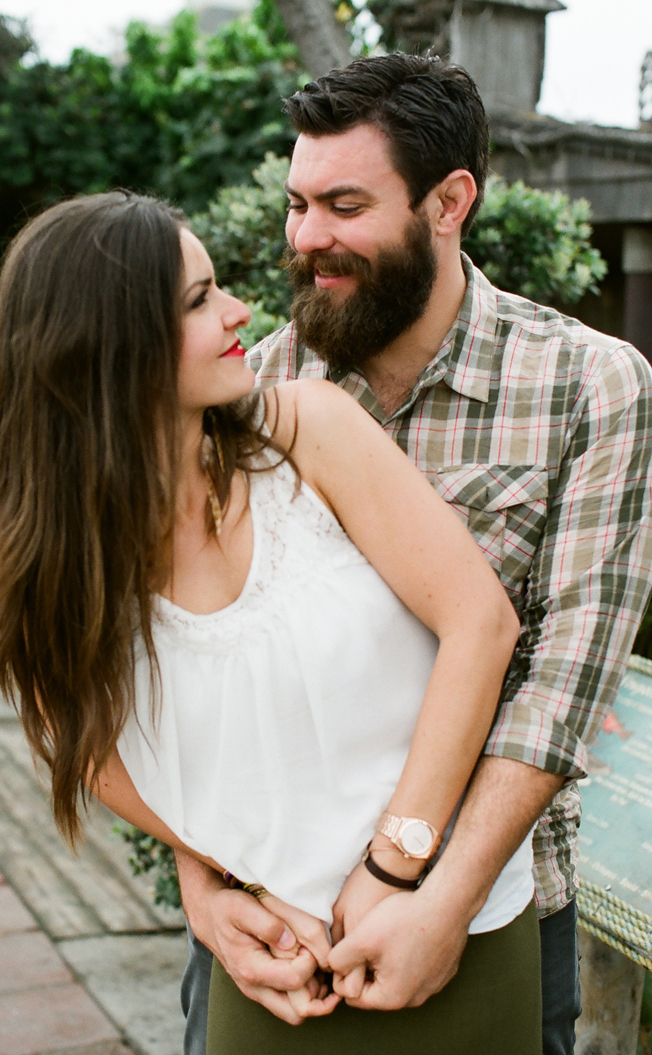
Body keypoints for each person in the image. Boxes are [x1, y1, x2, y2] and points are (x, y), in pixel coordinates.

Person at [0, 190, 541, 1054]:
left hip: (453, 935)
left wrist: (393, 868)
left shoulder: (310, 430)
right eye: (198, 301)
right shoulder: (50, 553)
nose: (240, 310)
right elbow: (74, 736)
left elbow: (481, 626)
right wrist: (213, 870)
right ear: (112, 349)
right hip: (277, 971)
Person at [174, 54, 652, 1055]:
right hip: (267, 911)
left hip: (490, 905)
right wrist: (202, 885)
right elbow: (182, 662)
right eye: (299, 204)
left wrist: (436, 894)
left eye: (345, 205)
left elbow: (563, 676)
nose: (308, 238)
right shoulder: (245, 383)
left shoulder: (590, 384)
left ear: (449, 201)